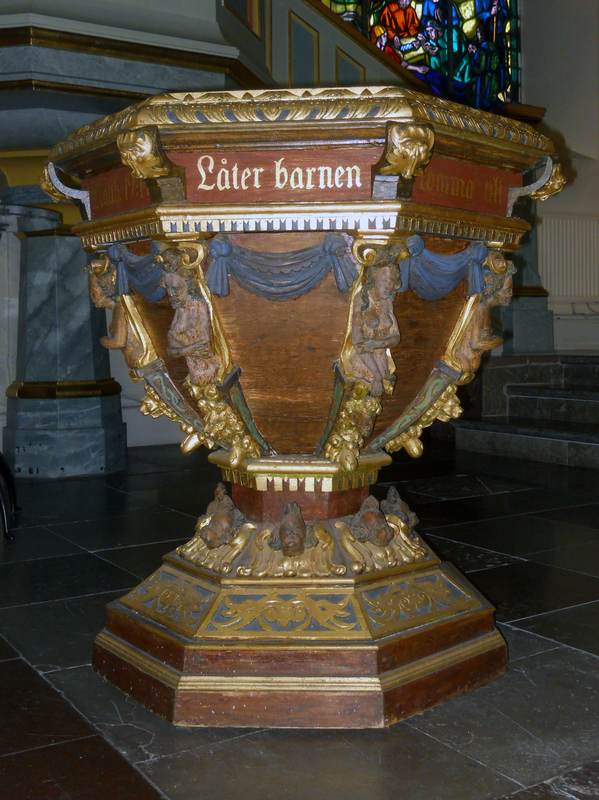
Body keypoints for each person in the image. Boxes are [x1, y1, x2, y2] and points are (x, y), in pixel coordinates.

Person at [350, 261, 401, 398]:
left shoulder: (387, 302)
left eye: (391, 282)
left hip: (382, 362)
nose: (387, 287)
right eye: (384, 281)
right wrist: (377, 376)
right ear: (374, 279)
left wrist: (380, 343)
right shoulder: (362, 300)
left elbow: (396, 337)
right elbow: (357, 343)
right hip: (363, 363)